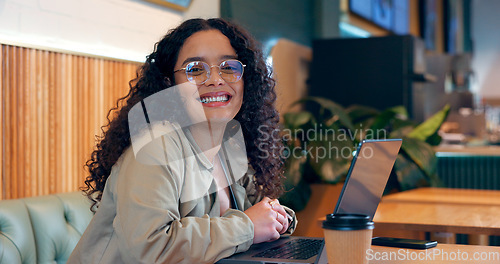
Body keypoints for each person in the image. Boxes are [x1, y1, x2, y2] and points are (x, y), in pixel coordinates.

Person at [68, 18, 296, 264]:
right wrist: (249, 227)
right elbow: (150, 249)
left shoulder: (228, 148)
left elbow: (256, 209)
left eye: (228, 67)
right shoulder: (154, 149)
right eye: (195, 69)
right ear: (169, 83)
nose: (216, 79)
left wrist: (278, 218)